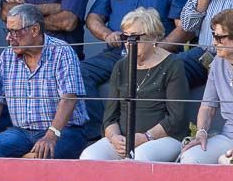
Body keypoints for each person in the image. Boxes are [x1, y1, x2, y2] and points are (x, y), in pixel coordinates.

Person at [82, 0, 190, 139]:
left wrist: (155, 50)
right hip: (117, 53)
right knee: (80, 72)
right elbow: (93, 17)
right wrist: (106, 34)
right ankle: (100, 135)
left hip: (156, 58)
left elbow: (184, 28)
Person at [0, 3, 88, 158]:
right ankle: (24, 160)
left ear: (34, 30)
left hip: (64, 130)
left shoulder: (62, 51)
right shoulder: (7, 55)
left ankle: (26, 160)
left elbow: (69, 99)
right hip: (21, 132)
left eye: (14, 32)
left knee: (42, 156)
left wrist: (51, 135)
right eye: (8, 31)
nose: (9, 38)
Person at [79, 8, 187, 162]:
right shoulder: (121, 65)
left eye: (135, 38)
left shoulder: (173, 65)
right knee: (89, 156)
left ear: (153, 37)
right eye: (125, 37)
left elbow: (176, 118)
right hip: (123, 139)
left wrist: (145, 137)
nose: (129, 43)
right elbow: (110, 116)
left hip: (162, 138)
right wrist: (115, 137)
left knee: (141, 157)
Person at [181, 9, 233, 164]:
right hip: (228, 136)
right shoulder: (218, 62)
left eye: (219, 37)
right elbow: (208, 106)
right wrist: (201, 132)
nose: (214, 42)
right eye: (213, 36)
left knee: (226, 162)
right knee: (190, 157)